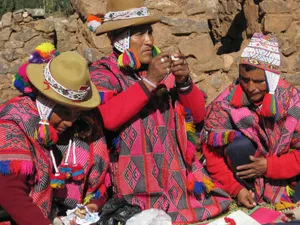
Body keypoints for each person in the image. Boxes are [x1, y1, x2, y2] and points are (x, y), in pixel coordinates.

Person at [89, 0, 231, 223]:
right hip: (130, 184)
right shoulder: (104, 72)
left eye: (149, 33)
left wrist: (184, 81)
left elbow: (197, 115)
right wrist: (149, 82)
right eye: (139, 34)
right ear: (119, 38)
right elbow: (106, 118)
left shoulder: (161, 70)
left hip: (175, 177)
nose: (149, 40)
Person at [0, 43, 110, 225]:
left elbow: (100, 182)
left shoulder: (85, 125)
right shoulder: (13, 122)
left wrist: (91, 207)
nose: (70, 122)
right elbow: (8, 189)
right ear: (46, 102)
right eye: (66, 112)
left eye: (77, 112)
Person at [202, 33, 300, 209]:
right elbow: (211, 154)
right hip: (246, 178)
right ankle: (249, 192)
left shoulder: (292, 103)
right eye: (245, 80)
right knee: (238, 147)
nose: (251, 87)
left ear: (272, 78)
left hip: (286, 175)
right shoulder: (225, 104)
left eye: (259, 81)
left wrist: (270, 166)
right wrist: (236, 189)